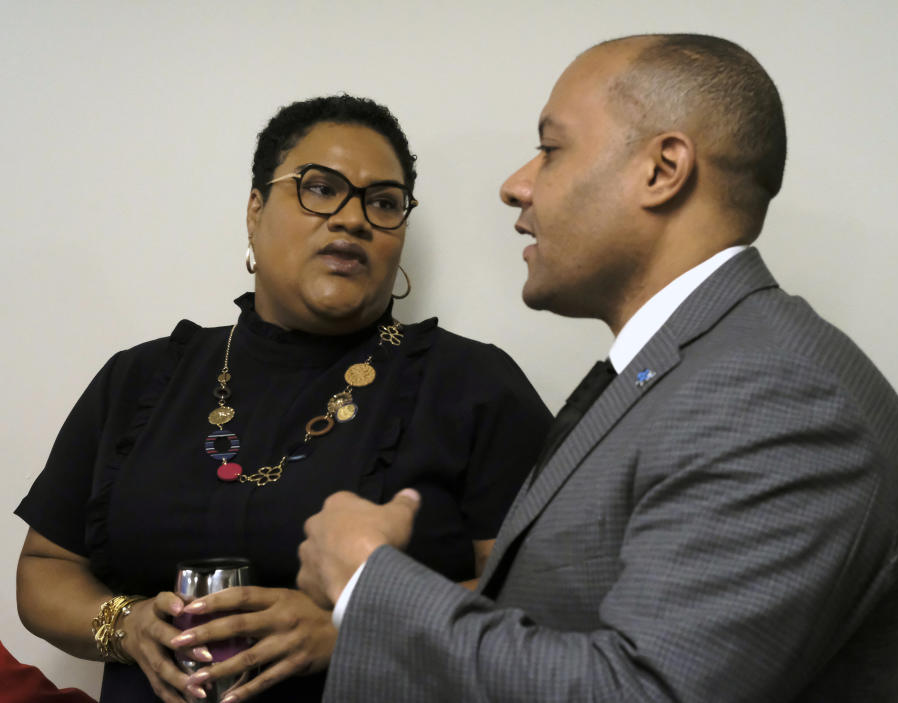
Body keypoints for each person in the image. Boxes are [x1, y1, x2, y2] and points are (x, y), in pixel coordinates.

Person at [295, 34, 898, 702]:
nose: (516, 185)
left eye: (551, 148)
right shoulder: (687, 372)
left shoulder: (781, 396)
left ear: (662, 170)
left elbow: (644, 691)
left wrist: (369, 582)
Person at [15, 94, 551, 702]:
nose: (352, 219)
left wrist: (355, 627)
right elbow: (45, 570)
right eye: (320, 188)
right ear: (255, 210)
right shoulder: (141, 378)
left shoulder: (473, 384)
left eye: (382, 202)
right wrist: (125, 625)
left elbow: (543, 598)